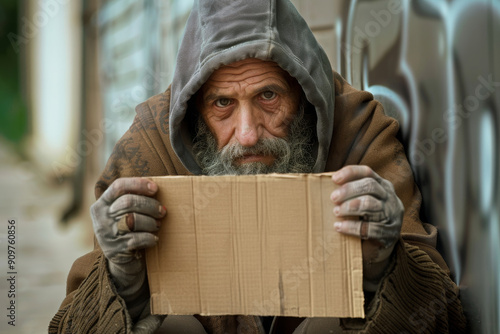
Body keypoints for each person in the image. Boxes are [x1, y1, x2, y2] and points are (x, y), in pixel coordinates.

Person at [50, 0, 466, 333]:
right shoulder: (154, 142)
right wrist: (123, 279)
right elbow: (70, 324)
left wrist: (382, 266)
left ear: (305, 94)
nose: (248, 134)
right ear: (195, 110)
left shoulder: (358, 131)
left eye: (268, 96)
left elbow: (441, 314)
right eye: (222, 104)